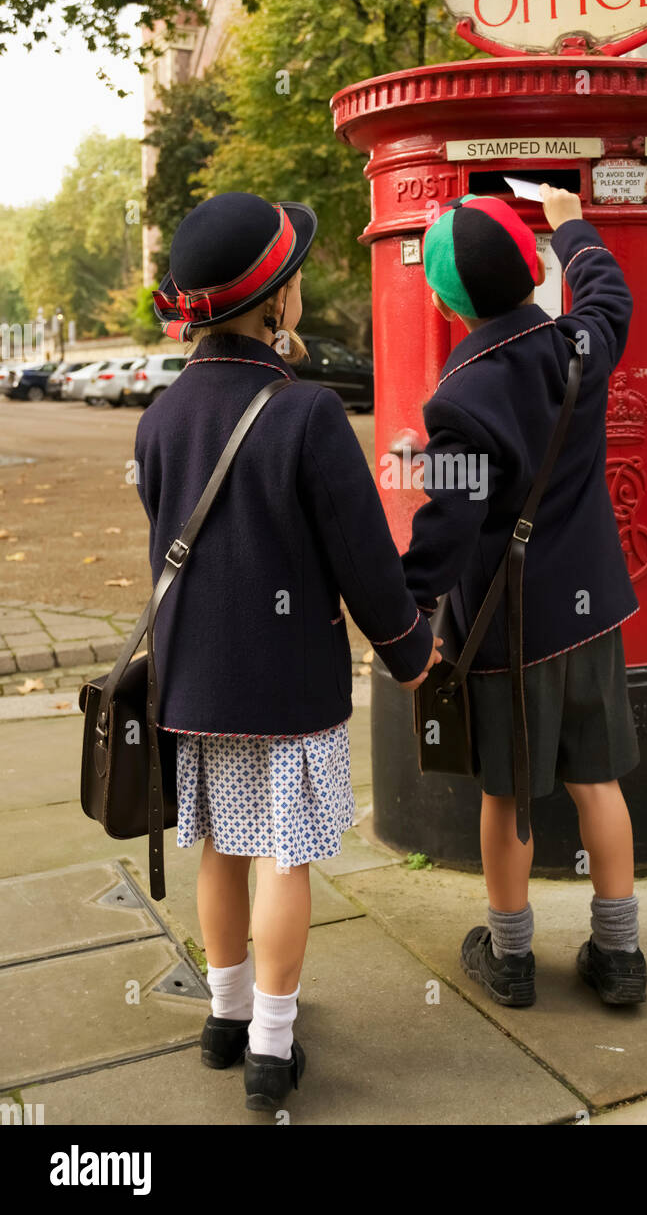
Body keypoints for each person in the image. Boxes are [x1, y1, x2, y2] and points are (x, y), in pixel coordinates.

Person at [135, 191, 439, 1112]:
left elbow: (169, 545)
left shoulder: (159, 416)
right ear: (274, 304)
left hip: (193, 683)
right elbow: (365, 566)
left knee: (219, 851)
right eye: (295, 276)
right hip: (286, 689)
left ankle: (224, 1019)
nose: (301, 287)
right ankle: (272, 1047)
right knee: (282, 859)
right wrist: (409, 652)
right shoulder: (307, 415)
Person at [402, 185, 647, 1010]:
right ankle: (618, 956)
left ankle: (508, 957)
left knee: (506, 793)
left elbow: (448, 530)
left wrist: (406, 610)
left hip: (507, 632)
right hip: (593, 613)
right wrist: (569, 222)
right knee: (596, 780)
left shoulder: (460, 398)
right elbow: (610, 291)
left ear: (443, 301)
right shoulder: (580, 341)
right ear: (534, 268)